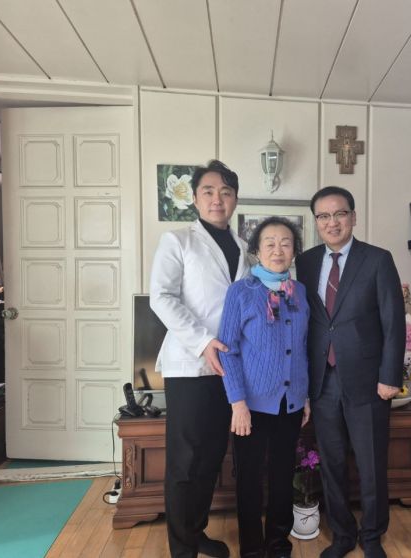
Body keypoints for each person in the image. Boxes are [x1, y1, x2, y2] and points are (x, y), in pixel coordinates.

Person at [295, 186, 405, 558]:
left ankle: (372, 536)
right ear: (316, 222)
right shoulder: (306, 262)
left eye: (339, 213)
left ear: (353, 217)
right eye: (323, 216)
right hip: (322, 381)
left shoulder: (377, 259)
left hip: (368, 381)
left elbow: (394, 322)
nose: (332, 222)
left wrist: (390, 376)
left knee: (371, 465)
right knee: (332, 464)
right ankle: (342, 535)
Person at [150, 159, 249, 558]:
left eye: (226, 191)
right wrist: (204, 341)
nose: (217, 199)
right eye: (208, 191)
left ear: (235, 199)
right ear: (194, 198)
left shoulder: (245, 247)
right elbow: (161, 298)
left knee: (211, 457)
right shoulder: (177, 241)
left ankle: (196, 531)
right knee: (186, 462)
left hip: (231, 368)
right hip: (190, 366)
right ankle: (182, 549)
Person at [218, 217, 311, 558]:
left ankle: (278, 542)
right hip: (251, 406)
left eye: (286, 243)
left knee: (283, 475)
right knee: (250, 479)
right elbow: (227, 349)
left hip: (291, 403)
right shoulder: (241, 292)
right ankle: (253, 548)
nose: (278, 250)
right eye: (269, 243)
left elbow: (303, 347)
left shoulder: (300, 292)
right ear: (256, 251)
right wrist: (237, 403)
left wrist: (305, 397)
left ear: (294, 251)